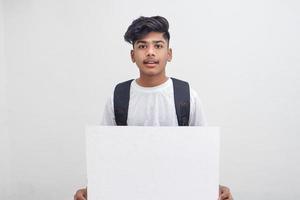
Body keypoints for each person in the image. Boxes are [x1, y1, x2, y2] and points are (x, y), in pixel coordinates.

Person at [74, 16, 233, 200]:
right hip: (130, 193)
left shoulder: (187, 95)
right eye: (142, 46)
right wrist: (91, 189)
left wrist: (214, 187)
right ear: (133, 55)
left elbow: (203, 154)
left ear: (169, 54)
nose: (150, 52)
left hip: (177, 193)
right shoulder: (118, 96)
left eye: (158, 46)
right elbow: (104, 155)